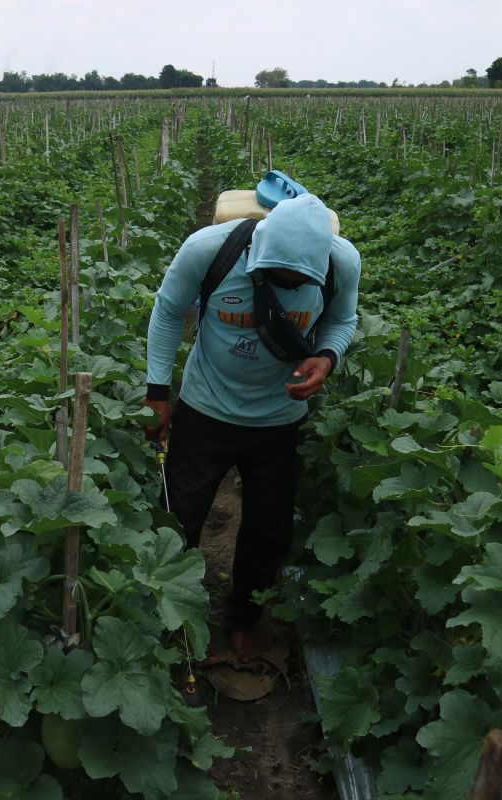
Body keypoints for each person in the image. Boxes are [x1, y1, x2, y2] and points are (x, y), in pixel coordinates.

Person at [144, 192, 360, 656]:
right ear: (258, 251)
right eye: (277, 276)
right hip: (205, 410)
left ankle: (244, 616)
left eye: (297, 281)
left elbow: (342, 320)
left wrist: (326, 357)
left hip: (280, 420)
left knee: (268, 527)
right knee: (180, 516)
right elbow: (166, 313)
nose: (288, 284)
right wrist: (157, 394)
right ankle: (173, 613)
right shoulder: (209, 249)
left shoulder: (342, 264)